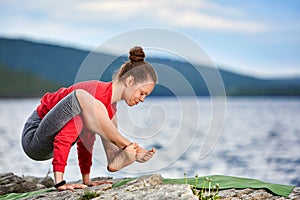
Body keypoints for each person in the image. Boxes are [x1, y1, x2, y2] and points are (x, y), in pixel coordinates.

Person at [21, 46, 157, 191]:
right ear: (130, 81)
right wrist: (60, 183)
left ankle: (119, 154)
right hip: (34, 137)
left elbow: (86, 140)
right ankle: (126, 144)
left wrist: (87, 179)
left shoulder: (109, 109)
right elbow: (64, 137)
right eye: (142, 93)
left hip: (49, 147)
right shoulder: (94, 93)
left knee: (103, 117)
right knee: (83, 97)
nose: (142, 99)